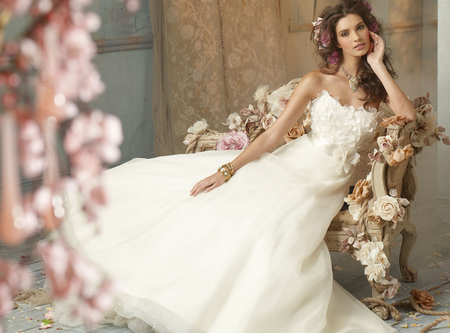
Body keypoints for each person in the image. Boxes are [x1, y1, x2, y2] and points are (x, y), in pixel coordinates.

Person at [59, 0, 415, 332]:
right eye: (345, 33)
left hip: (324, 187)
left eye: (359, 29)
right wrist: (227, 170)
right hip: (290, 168)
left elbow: (407, 116)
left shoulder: (376, 89)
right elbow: (273, 137)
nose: (355, 38)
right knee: (221, 214)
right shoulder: (316, 80)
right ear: (334, 42)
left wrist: (378, 66)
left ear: (371, 31)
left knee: (268, 235)